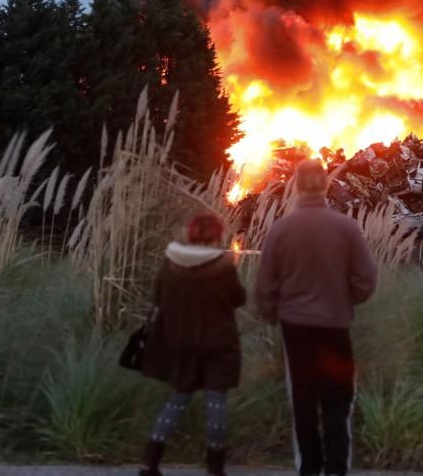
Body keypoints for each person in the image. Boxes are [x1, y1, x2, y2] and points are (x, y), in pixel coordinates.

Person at [255, 159, 378, 476]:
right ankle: (336, 469)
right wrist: (344, 300)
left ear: (295, 186)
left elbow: (265, 284)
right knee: (338, 399)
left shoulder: (281, 230)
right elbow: (365, 280)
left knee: (303, 398)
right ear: (326, 185)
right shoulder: (346, 227)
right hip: (335, 327)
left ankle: (309, 467)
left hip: (296, 329)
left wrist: (272, 313)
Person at [139, 211, 246, 476]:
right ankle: (215, 468)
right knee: (216, 402)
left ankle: (150, 463)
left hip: (180, 342)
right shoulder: (223, 265)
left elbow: (157, 297)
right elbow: (238, 298)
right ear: (217, 234)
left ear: (190, 232)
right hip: (218, 343)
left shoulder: (170, 262)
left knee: (177, 400)